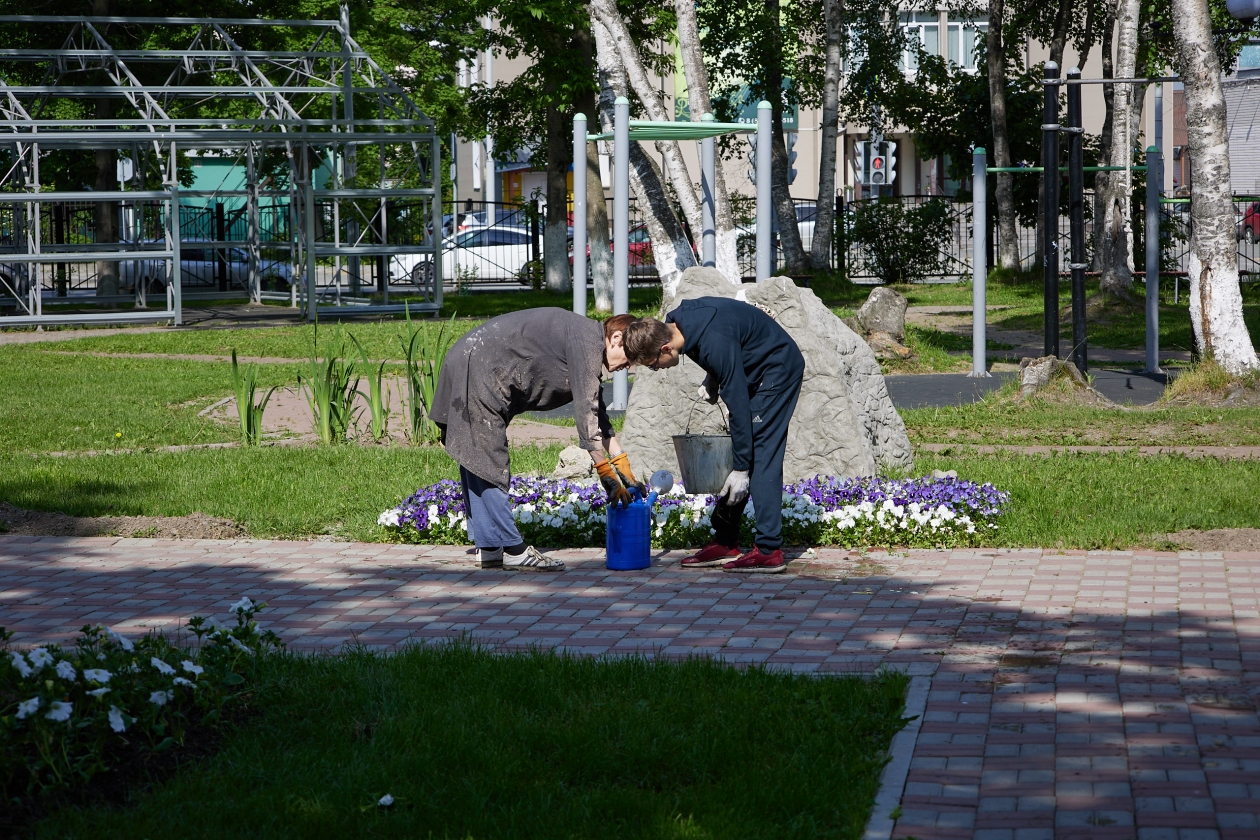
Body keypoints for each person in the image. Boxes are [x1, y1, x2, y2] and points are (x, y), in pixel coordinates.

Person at [432, 309, 644, 572]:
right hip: (479, 365)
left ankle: (490, 547)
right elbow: (586, 414)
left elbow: (597, 412)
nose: (628, 366)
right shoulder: (588, 343)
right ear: (615, 338)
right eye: (629, 357)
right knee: (488, 457)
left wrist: (623, 467)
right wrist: (604, 471)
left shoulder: (586, 339)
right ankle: (514, 550)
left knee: (479, 454)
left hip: (474, 358)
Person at [623, 297, 804, 574]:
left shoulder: (712, 343)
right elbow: (731, 339)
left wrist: (742, 469)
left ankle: (769, 550)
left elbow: (738, 408)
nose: (656, 370)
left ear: (665, 348)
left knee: (761, 452)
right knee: (744, 449)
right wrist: (713, 377)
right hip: (752, 369)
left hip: (777, 369)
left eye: (653, 364)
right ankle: (726, 542)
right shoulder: (676, 321)